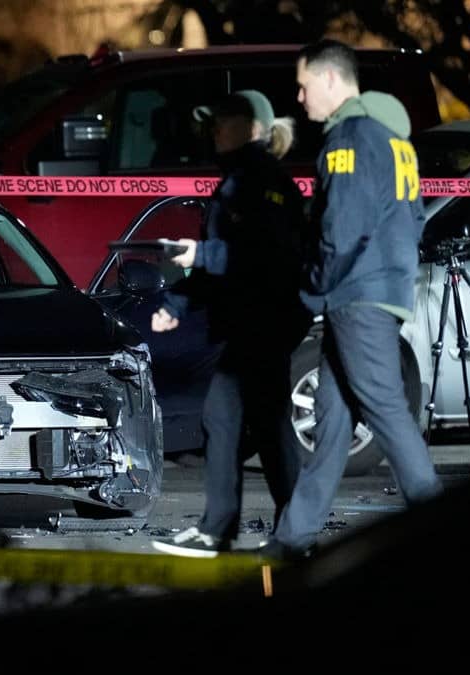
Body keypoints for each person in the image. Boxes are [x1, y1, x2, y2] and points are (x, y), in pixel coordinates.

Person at [258, 39, 444, 561]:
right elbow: (411, 218)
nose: (299, 97)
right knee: (333, 419)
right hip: (377, 288)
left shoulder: (351, 140)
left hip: (355, 293)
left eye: (304, 84)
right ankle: (292, 539)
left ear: (332, 80)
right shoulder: (393, 141)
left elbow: (343, 228)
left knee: (385, 408)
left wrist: (311, 286)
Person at [151, 91, 310, 557]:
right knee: (263, 425)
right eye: (215, 121)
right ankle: (284, 531)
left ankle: (222, 530)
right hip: (251, 322)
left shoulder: (261, 182)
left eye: (226, 121)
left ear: (255, 129)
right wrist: (177, 303)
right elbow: (222, 266)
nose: (216, 129)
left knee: (232, 419)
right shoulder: (238, 180)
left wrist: (201, 254)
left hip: (265, 320)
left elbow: (265, 258)